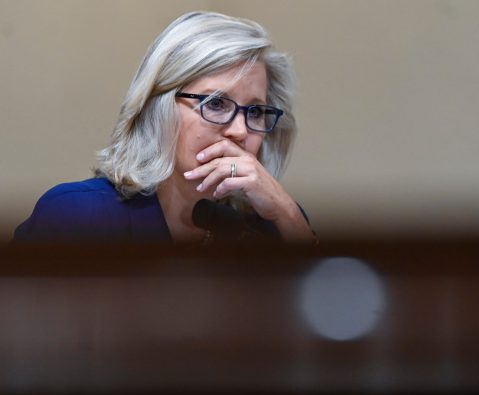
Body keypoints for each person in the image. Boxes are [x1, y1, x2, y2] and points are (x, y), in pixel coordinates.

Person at [13, 11, 316, 245]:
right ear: (159, 108)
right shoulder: (77, 216)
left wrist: (289, 215)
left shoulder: (274, 225)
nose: (239, 131)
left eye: (256, 111)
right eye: (215, 103)